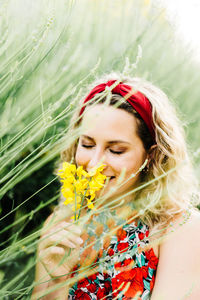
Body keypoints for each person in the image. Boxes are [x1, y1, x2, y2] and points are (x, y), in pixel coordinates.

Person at [32, 73, 200, 300]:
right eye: (87, 144)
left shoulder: (181, 228)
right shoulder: (61, 223)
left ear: (151, 155)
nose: (94, 164)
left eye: (116, 150)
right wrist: (58, 282)